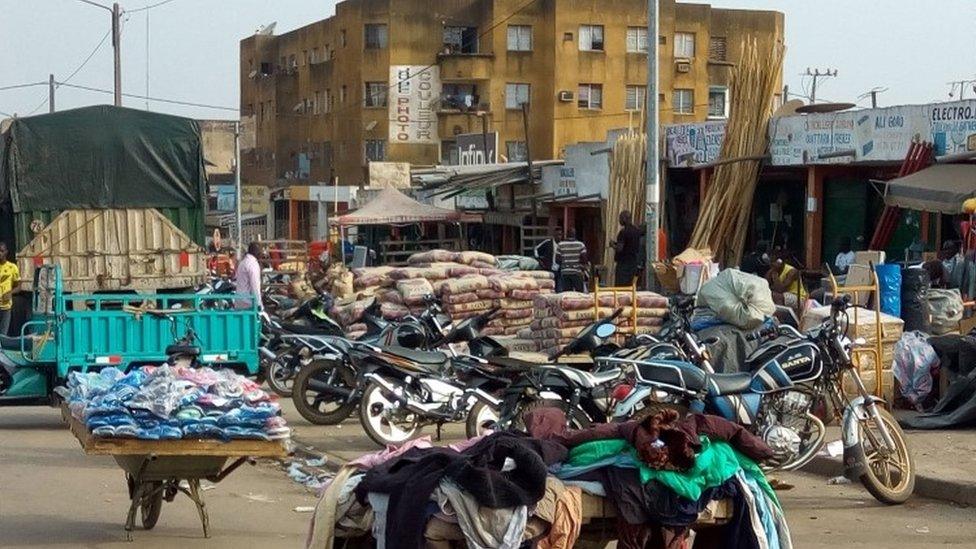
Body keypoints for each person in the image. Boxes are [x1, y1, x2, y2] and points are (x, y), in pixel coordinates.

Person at [611, 211, 642, 286]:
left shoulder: (623, 232)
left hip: (623, 265)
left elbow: (620, 248)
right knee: (631, 287)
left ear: (625, 218)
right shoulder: (636, 231)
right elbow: (629, 245)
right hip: (633, 263)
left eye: (620, 218)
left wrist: (612, 245)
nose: (619, 220)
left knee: (621, 288)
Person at [235, 242, 264, 310]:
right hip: (249, 303)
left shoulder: (243, 262)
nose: (261, 254)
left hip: (239, 301)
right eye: (260, 251)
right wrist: (259, 304)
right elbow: (255, 286)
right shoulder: (253, 264)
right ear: (256, 252)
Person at [0, 243, 20, 336]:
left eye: (2, 251)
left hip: (5, 307)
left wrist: (10, 293)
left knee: (3, 334)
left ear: (6, 252)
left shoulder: (12, 267)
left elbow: (18, 286)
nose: (0, 253)